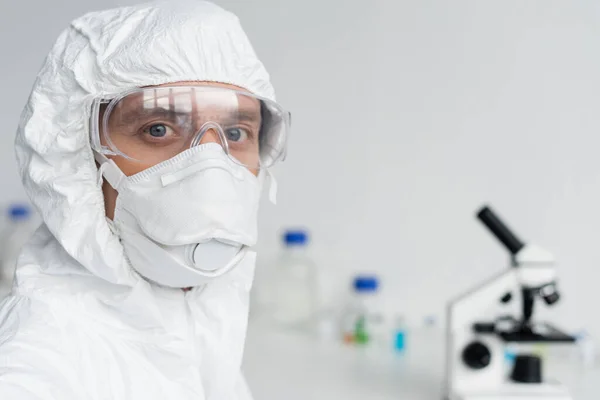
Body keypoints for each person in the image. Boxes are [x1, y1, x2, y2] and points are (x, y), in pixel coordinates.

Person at [0, 1, 290, 399]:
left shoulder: (202, 324)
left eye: (236, 134)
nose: (211, 168)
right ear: (77, 159)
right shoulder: (37, 365)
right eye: (157, 128)